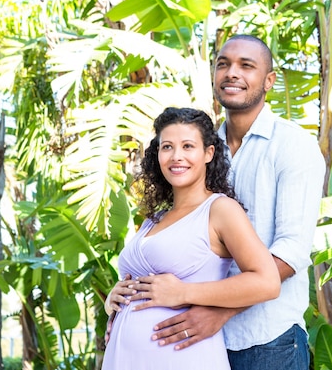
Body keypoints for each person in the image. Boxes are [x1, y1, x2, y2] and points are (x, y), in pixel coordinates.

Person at [108, 34, 327, 369]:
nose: (231, 73)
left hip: (265, 338)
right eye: (223, 64)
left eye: (246, 66)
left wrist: (218, 311)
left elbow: (291, 251)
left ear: (269, 80)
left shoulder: (293, 146)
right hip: (199, 343)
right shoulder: (200, 145)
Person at [102, 106, 281, 370]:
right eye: (167, 147)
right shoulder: (155, 218)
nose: (176, 156)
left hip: (183, 358)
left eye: (188, 146)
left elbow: (267, 282)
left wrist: (184, 292)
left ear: (208, 153)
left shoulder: (220, 210)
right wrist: (114, 300)